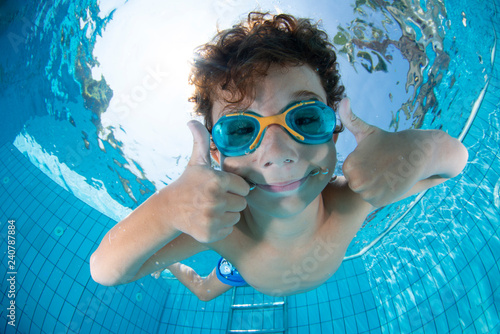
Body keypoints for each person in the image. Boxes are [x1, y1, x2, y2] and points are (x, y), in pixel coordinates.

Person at [90, 12, 468, 301]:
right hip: (238, 267)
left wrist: (414, 150)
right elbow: (107, 270)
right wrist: (169, 209)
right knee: (204, 291)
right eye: (240, 130)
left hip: (255, 272)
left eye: (304, 118)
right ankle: (175, 266)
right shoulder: (221, 227)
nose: (279, 155)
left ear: (335, 131)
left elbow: (453, 163)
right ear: (214, 154)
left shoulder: (354, 199)